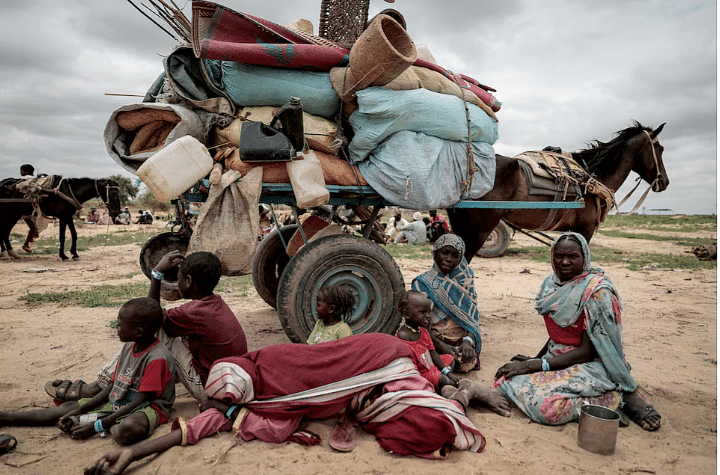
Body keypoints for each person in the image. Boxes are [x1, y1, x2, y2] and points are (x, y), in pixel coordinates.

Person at [84, 333, 513, 475]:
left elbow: (327, 367)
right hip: (370, 392)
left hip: (382, 361)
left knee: (430, 413)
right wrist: (130, 454)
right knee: (425, 430)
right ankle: (460, 392)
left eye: (219, 399)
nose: (212, 408)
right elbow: (192, 430)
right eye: (218, 402)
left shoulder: (270, 363)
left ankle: (463, 391)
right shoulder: (240, 403)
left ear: (238, 386)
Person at [494, 232, 662, 431]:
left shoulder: (597, 292)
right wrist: (535, 359)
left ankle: (613, 401)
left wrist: (536, 365)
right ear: (552, 256)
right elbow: (560, 332)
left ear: (584, 258)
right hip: (558, 358)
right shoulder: (552, 285)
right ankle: (601, 399)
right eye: (559, 256)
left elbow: (586, 352)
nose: (564, 262)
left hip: (593, 364)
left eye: (572, 256)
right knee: (505, 380)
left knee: (547, 408)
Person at [45, 250, 248, 403]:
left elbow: (150, 318)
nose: (177, 283)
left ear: (188, 280)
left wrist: (157, 273)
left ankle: (98, 386)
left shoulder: (194, 312)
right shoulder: (213, 304)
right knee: (170, 336)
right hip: (230, 381)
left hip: (210, 389)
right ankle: (133, 379)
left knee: (149, 329)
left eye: (178, 278)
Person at [0, 297, 175, 446]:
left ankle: (97, 423)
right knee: (69, 408)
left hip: (146, 408)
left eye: (120, 325)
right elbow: (113, 386)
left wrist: (98, 425)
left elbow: (140, 400)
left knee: (128, 429)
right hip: (118, 402)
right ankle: (7, 418)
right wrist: (80, 410)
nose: (117, 327)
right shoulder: (130, 346)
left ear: (138, 331)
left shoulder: (156, 358)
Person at [411, 234, 481, 373]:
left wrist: (467, 341)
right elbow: (419, 323)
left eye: (455, 255)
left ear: (461, 259)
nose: (449, 259)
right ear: (435, 252)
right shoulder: (423, 283)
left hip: (459, 343)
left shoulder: (465, 281)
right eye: (445, 252)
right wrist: (442, 346)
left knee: (464, 362)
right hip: (432, 340)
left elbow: (471, 319)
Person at [395, 290, 457, 390]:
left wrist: (447, 372)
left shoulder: (423, 331)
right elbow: (407, 366)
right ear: (406, 314)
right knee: (443, 380)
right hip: (419, 374)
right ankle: (447, 385)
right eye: (423, 312)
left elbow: (433, 354)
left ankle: (441, 383)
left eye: (429, 312)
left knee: (450, 360)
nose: (428, 316)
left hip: (430, 367)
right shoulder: (403, 336)